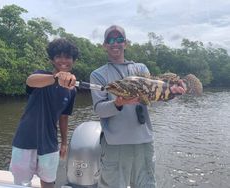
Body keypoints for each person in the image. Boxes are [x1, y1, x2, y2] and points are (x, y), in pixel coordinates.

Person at [90, 25, 186, 188]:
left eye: (119, 39)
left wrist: (174, 92)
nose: (115, 43)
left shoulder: (141, 68)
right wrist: (118, 103)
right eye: (110, 40)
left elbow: (155, 97)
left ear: (125, 43)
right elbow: (99, 109)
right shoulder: (98, 74)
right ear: (105, 45)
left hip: (144, 141)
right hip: (115, 144)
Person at [9, 38, 79, 188]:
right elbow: (30, 81)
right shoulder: (41, 76)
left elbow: (64, 116)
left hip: (50, 141)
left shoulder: (72, 90)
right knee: (21, 183)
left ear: (73, 60)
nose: (63, 60)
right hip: (25, 139)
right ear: (52, 60)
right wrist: (56, 78)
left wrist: (65, 143)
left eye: (68, 57)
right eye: (58, 56)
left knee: (48, 182)